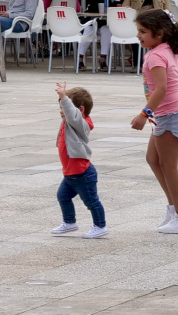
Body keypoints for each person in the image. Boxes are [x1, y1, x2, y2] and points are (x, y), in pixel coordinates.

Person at [132, 8, 178, 234]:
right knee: (153, 159)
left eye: (143, 31)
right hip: (171, 114)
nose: (138, 36)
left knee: (169, 167)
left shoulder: (156, 55)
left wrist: (144, 114)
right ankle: (173, 209)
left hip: (170, 115)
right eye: (138, 31)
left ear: (158, 34)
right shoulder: (168, 49)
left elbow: (161, 88)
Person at [50, 84, 106, 239]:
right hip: (70, 173)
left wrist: (64, 97)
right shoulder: (69, 121)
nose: (62, 111)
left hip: (82, 173)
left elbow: (72, 115)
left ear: (80, 110)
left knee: (91, 201)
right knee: (62, 196)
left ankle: (100, 225)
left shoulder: (81, 124)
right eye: (60, 107)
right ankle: (69, 222)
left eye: (64, 107)